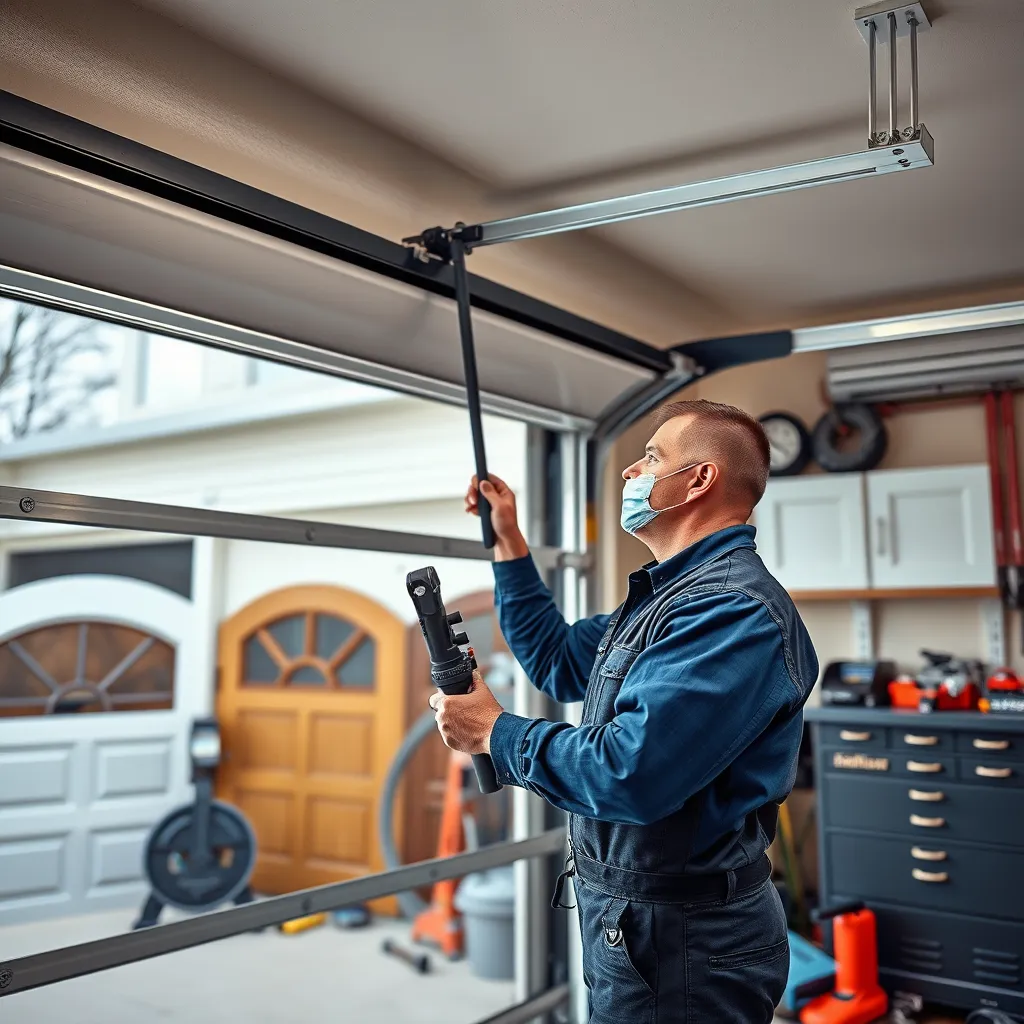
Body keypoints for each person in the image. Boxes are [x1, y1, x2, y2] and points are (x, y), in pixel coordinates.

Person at [429, 398, 819, 1022]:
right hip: (640, 925)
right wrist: (509, 543)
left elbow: (628, 772)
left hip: (688, 940)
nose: (630, 472)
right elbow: (556, 658)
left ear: (698, 479)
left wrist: (495, 733)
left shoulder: (730, 613)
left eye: (651, 457)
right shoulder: (667, 602)